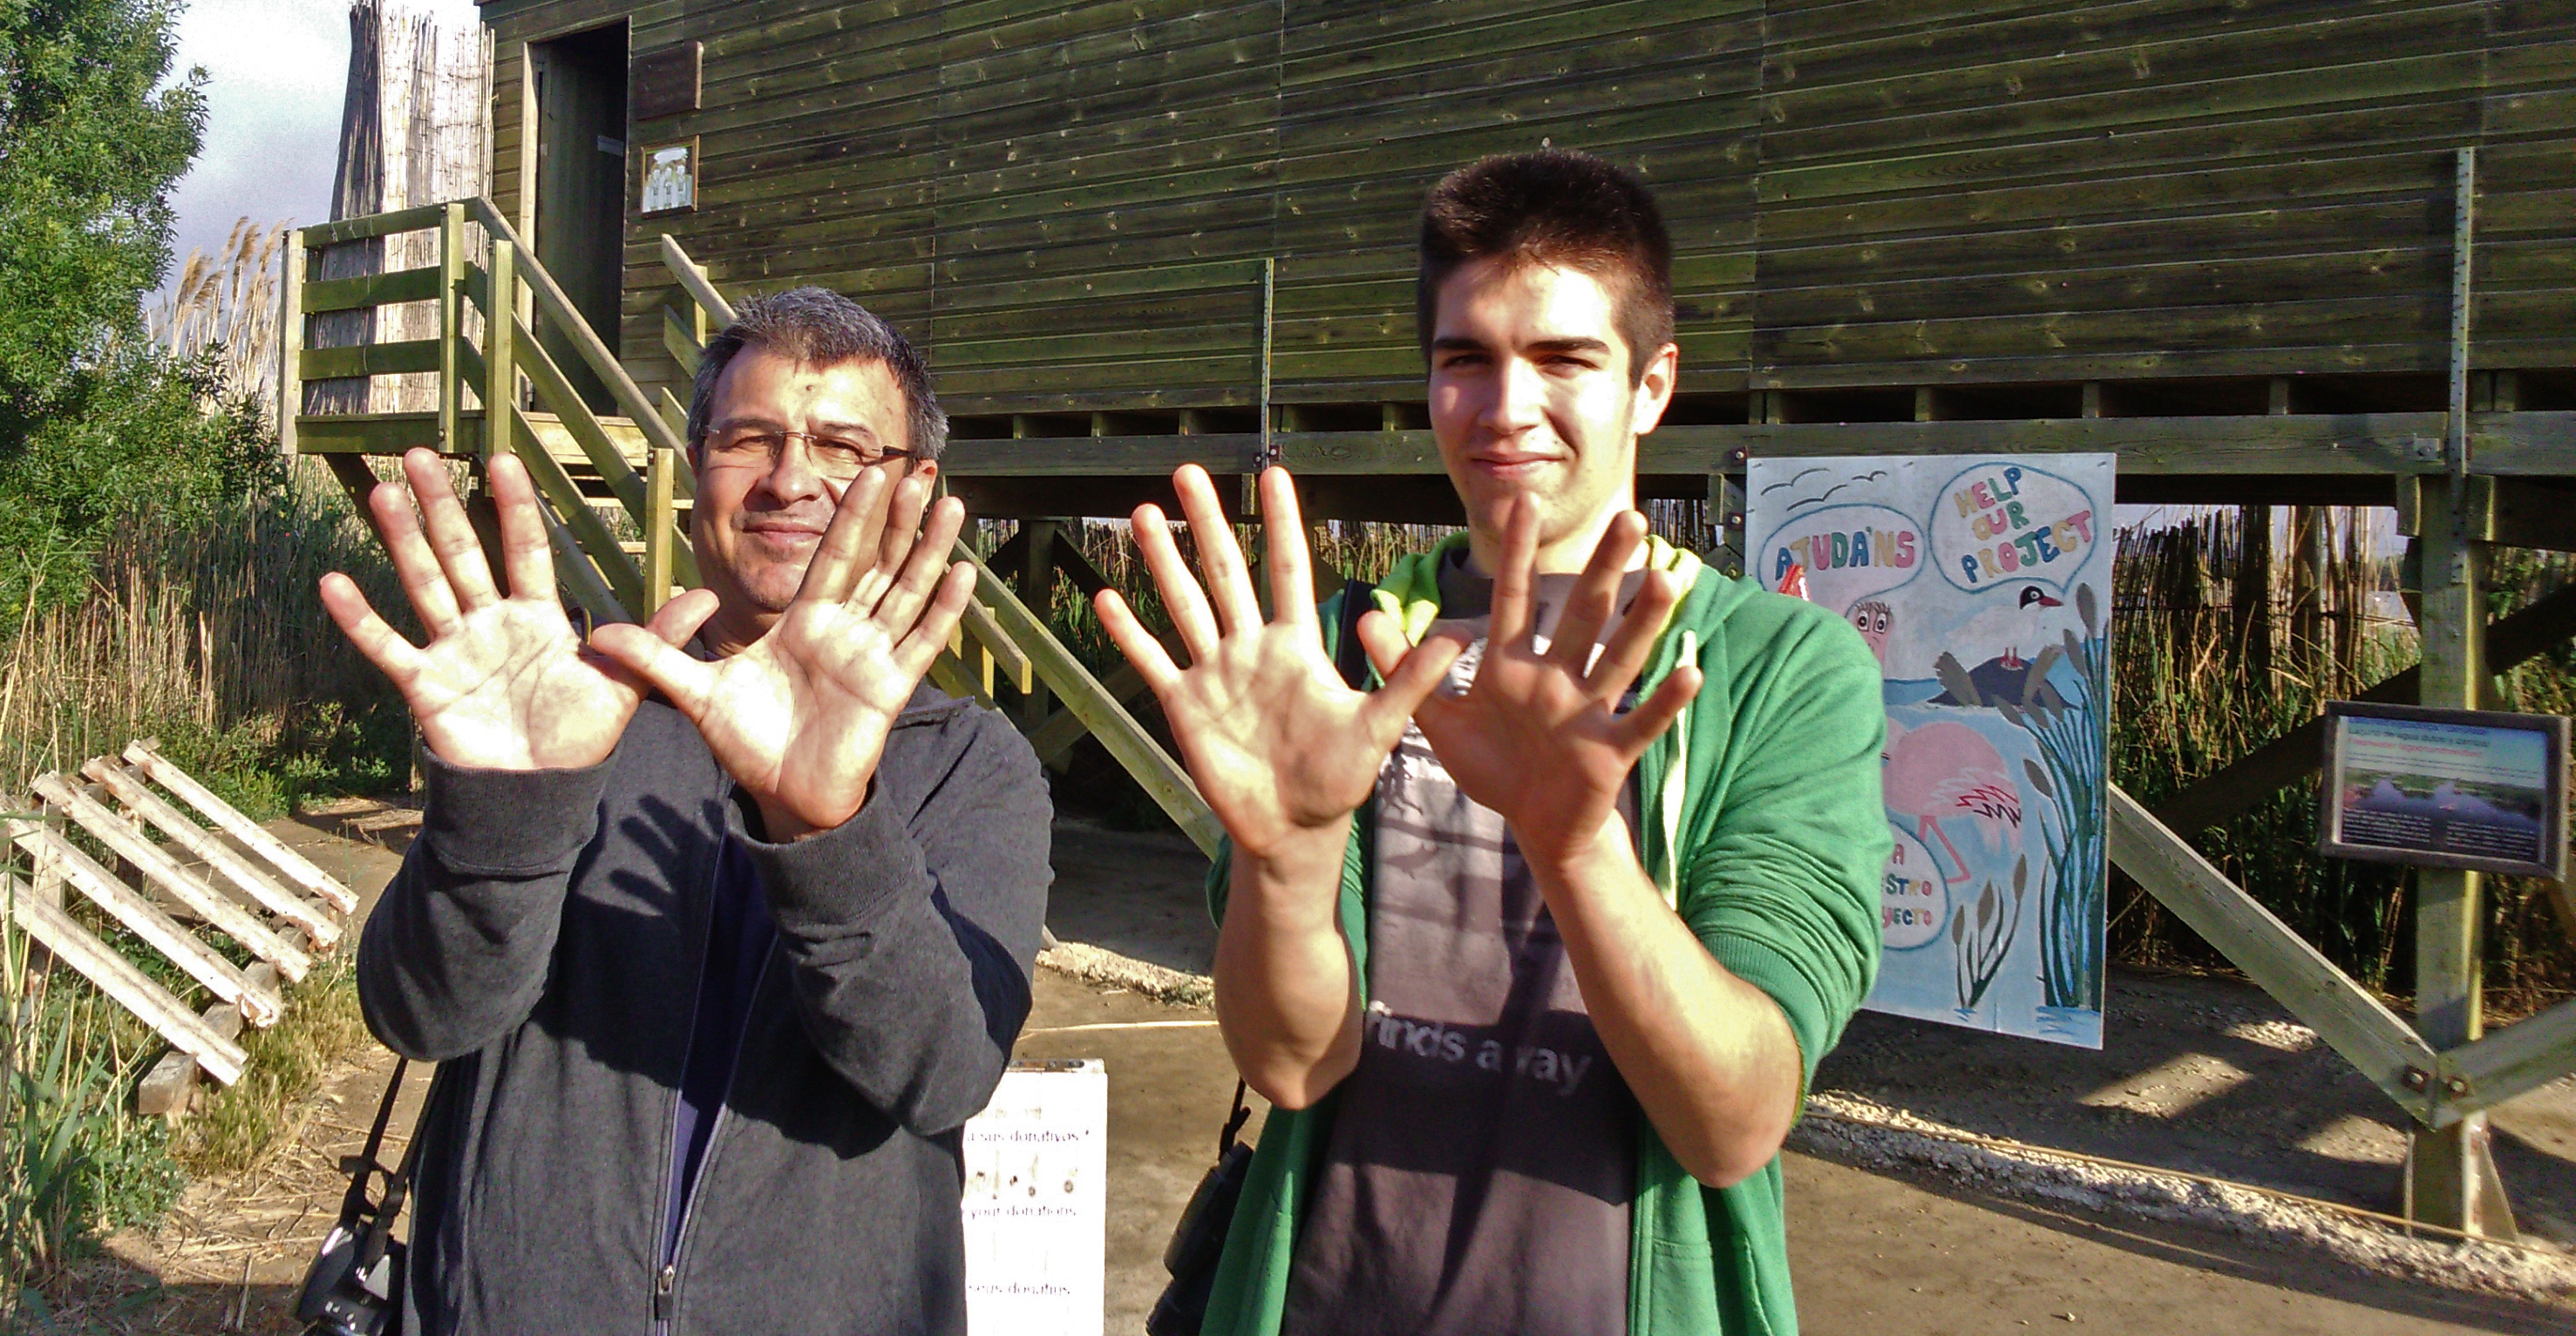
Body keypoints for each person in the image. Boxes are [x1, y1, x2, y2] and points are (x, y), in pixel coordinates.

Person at [1095, 152, 1891, 1336]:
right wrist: (1292, 856)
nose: (1506, 406)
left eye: (1565, 357)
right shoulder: (1338, 651)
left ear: (1652, 384)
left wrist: (1577, 849)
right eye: (1465, 358)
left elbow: (1733, 1121)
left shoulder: (1779, 667)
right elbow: (1293, 1064)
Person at [324, 288, 1053, 1335]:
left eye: (844, 447)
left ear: (914, 487)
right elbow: (421, 1014)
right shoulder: (578, 713)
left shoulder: (973, 766)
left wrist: (828, 829)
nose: (790, 479)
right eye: (747, 438)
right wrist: (499, 814)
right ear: (696, 470)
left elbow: (940, 1073)